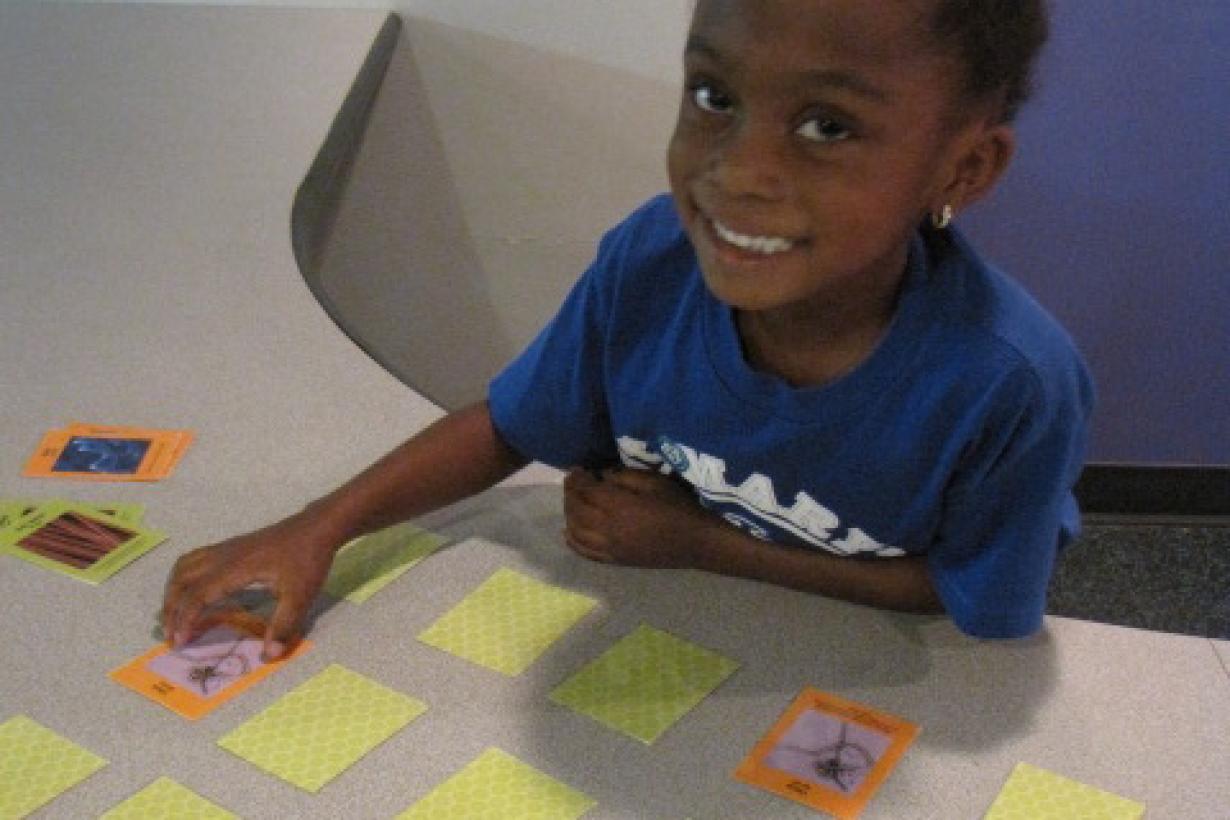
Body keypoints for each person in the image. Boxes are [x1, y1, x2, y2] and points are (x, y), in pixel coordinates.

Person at [162, 0, 1093, 653]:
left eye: (826, 127)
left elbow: (967, 596)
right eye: (715, 98)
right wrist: (317, 530)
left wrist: (708, 549)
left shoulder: (1012, 386)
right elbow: (508, 424)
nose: (736, 171)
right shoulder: (651, 262)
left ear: (962, 172)